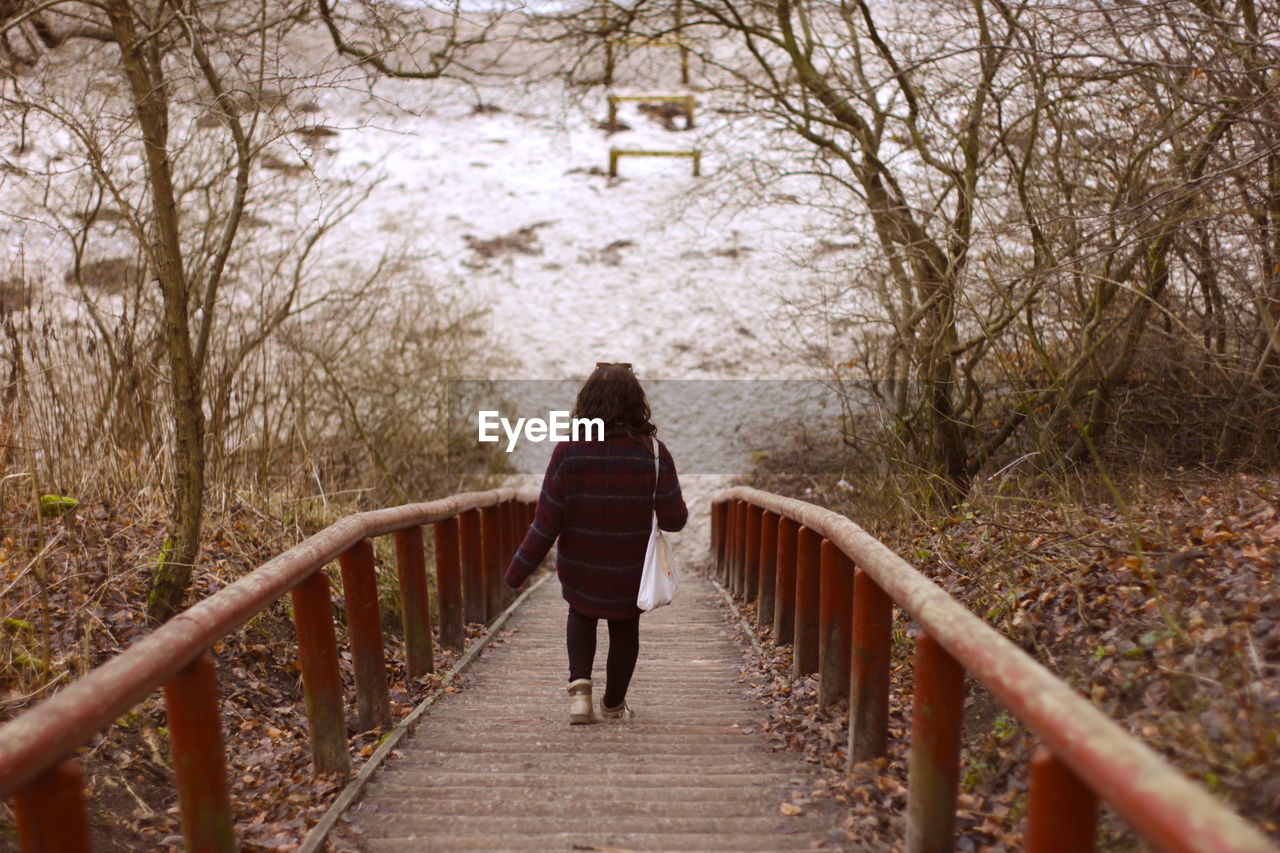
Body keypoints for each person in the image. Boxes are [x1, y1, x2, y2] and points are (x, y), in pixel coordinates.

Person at [504, 363, 688, 724]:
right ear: (637, 404)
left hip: (581, 564)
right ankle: (614, 704)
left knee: (581, 613)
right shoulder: (653, 453)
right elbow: (675, 520)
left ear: (586, 403)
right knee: (624, 627)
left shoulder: (568, 453)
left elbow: (546, 522)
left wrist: (516, 572)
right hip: (630, 567)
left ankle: (579, 697)